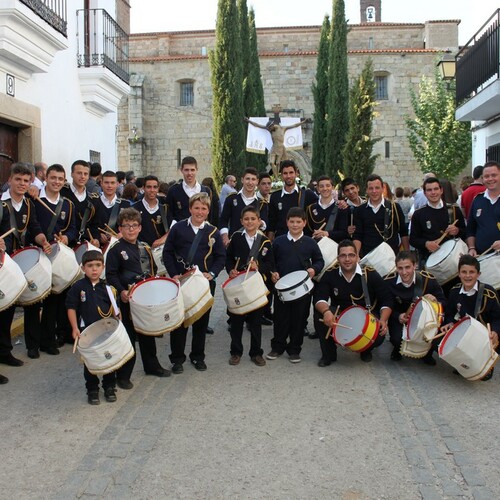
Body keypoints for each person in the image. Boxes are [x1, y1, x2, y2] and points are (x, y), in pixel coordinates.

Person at [106, 208, 170, 390]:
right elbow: (111, 275)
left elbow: (153, 271)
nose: (131, 229)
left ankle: (152, 366)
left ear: (140, 228)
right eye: (126, 226)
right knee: (128, 337)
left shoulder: (145, 248)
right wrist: (121, 291)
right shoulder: (116, 250)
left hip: (145, 298)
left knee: (147, 333)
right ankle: (123, 375)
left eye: (134, 226)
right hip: (127, 299)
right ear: (120, 228)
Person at [163, 193, 225, 373]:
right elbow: (167, 252)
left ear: (208, 211)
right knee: (179, 321)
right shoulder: (178, 229)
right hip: (181, 281)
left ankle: (198, 357)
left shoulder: (213, 231)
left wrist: (212, 273)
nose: (200, 211)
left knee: (201, 321)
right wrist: (174, 274)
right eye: (196, 208)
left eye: (203, 208)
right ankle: (177, 359)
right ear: (190, 208)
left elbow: (221, 257)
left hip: (204, 283)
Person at [0, 162, 52, 360]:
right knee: (2, 311)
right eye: (18, 180)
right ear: (10, 180)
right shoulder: (1, 204)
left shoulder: (29, 204)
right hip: (3, 263)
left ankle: (6, 352)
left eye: (26, 180)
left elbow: (35, 228)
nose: (22, 184)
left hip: (19, 262)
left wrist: (42, 240)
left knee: (12, 307)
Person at [313, 239, 392, 365]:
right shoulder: (330, 274)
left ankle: (366, 350)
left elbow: (386, 299)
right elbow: (319, 298)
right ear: (338, 258)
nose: (347, 259)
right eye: (343, 255)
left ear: (357, 257)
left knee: (378, 334)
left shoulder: (369, 274)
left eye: (351, 255)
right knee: (319, 315)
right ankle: (329, 354)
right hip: (340, 316)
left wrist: (383, 319)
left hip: (367, 316)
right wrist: (326, 312)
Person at [267, 207, 324, 363]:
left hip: (302, 290)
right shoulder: (278, 242)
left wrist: (314, 269)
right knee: (280, 318)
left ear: (304, 223)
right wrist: (273, 272)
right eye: (292, 222)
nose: (295, 225)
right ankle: (277, 346)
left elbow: (320, 261)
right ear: (287, 222)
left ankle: (294, 349)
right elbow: (271, 262)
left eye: (298, 222)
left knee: (299, 319)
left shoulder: (310, 242)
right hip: (282, 288)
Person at [66, 250, 119, 405]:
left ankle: (109, 387)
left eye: (97, 265)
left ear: (103, 267)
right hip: (87, 331)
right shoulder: (78, 287)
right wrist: (75, 328)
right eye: (90, 266)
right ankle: (92, 389)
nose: (94, 269)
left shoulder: (108, 287)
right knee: (90, 361)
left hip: (107, 330)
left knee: (109, 358)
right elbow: (71, 307)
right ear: (83, 268)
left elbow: (115, 310)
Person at [34, 164, 78, 352]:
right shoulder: (34, 199)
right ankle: (42, 340)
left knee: (60, 297)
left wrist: (67, 237)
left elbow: (73, 228)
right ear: (46, 178)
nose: (57, 182)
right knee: (42, 300)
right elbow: (31, 225)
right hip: (39, 254)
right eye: (53, 178)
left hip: (59, 256)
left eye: (60, 179)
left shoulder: (68, 204)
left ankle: (60, 334)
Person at [225, 205, 274, 366]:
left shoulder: (265, 241)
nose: (250, 221)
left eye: (253, 219)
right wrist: (230, 270)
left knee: (255, 322)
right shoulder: (236, 238)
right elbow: (229, 258)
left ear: (259, 221)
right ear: (241, 221)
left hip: (255, 287)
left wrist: (258, 267)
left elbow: (271, 263)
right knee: (236, 320)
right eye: (246, 219)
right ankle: (236, 351)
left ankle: (256, 352)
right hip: (239, 285)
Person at [441, 255, 500, 380]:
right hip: (465, 333)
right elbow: (450, 313)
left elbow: (497, 318)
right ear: (459, 274)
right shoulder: (454, 291)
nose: (468, 276)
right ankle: (460, 362)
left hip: (484, 336)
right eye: (464, 272)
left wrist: (495, 331)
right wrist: (449, 322)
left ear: (478, 274)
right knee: (438, 341)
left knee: (483, 376)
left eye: (472, 272)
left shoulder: (489, 293)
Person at [384, 251, 445, 364]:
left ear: (415, 265)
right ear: (396, 267)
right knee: (397, 339)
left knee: (431, 332)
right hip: (401, 319)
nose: (404, 272)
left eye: (408, 267)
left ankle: (427, 352)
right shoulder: (389, 282)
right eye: (400, 268)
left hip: (423, 320)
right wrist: (398, 316)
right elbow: (386, 306)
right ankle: (398, 349)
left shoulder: (428, 280)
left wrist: (434, 300)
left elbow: (443, 302)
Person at [409, 177, 466, 266]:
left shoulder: (454, 210)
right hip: (428, 259)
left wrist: (457, 231)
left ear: (441, 190)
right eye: (429, 190)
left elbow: (465, 232)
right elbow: (413, 239)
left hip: (452, 260)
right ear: (424, 193)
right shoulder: (418, 214)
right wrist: (426, 244)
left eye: (436, 189)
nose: (433, 192)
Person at [353, 174, 409, 257]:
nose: (374, 191)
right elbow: (358, 235)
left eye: (377, 188)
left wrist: (407, 254)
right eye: (371, 188)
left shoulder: (394, 208)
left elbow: (403, 232)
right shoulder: (359, 210)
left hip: (390, 257)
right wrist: (356, 255)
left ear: (383, 188)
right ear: (366, 190)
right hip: (368, 257)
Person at [267, 160, 317, 240]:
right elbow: (272, 222)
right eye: (285, 173)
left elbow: (321, 207)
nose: (288, 176)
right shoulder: (275, 197)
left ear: (296, 173)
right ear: (281, 176)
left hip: (303, 242)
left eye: (291, 172)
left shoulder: (308, 195)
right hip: (281, 242)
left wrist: (341, 203)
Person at [220, 167, 268, 246]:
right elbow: (223, 221)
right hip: (233, 243)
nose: (250, 182)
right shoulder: (231, 198)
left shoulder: (262, 203)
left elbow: (265, 224)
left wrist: (260, 223)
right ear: (242, 180)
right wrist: (225, 237)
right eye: (247, 179)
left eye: (253, 179)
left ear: (257, 181)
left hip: (254, 245)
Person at [60, 160, 100, 247]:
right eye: (79, 173)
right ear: (71, 174)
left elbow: (95, 225)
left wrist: (96, 238)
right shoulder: (61, 192)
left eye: (85, 174)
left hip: (84, 245)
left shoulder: (93, 199)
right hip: (64, 244)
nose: (82, 177)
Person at [166, 156, 212, 226]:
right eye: (186, 170)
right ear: (181, 170)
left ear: (197, 170)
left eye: (192, 170)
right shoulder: (173, 191)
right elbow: (168, 213)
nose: (189, 173)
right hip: (180, 234)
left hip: (200, 233)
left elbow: (211, 215)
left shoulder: (206, 191)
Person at [466, 161, 500, 256]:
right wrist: (471, 248)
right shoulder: (477, 200)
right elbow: (471, 229)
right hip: (482, 258)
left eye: (494, 175)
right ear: (482, 179)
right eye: (486, 176)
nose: (490, 179)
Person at [305, 175, 349, 242]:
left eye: (328, 186)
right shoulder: (310, 209)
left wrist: (327, 234)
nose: (325, 189)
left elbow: (344, 233)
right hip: (316, 248)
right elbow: (307, 232)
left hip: (335, 249)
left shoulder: (341, 207)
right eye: (321, 186)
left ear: (333, 188)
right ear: (318, 189)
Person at [133, 175, 171, 249]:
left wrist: (162, 240)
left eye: (155, 187)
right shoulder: (135, 208)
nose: (152, 190)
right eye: (149, 187)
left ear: (158, 188)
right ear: (143, 188)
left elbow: (172, 227)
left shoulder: (165, 207)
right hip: (141, 251)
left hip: (160, 251)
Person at [92, 171, 123, 246]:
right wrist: (97, 235)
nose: (109, 186)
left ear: (117, 184)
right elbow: (88, 226)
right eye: (106, 182)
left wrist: (122, 234)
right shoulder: (93, 203)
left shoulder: (125, 205)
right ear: (101, 183)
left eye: (112, 183)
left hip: (118, 247)